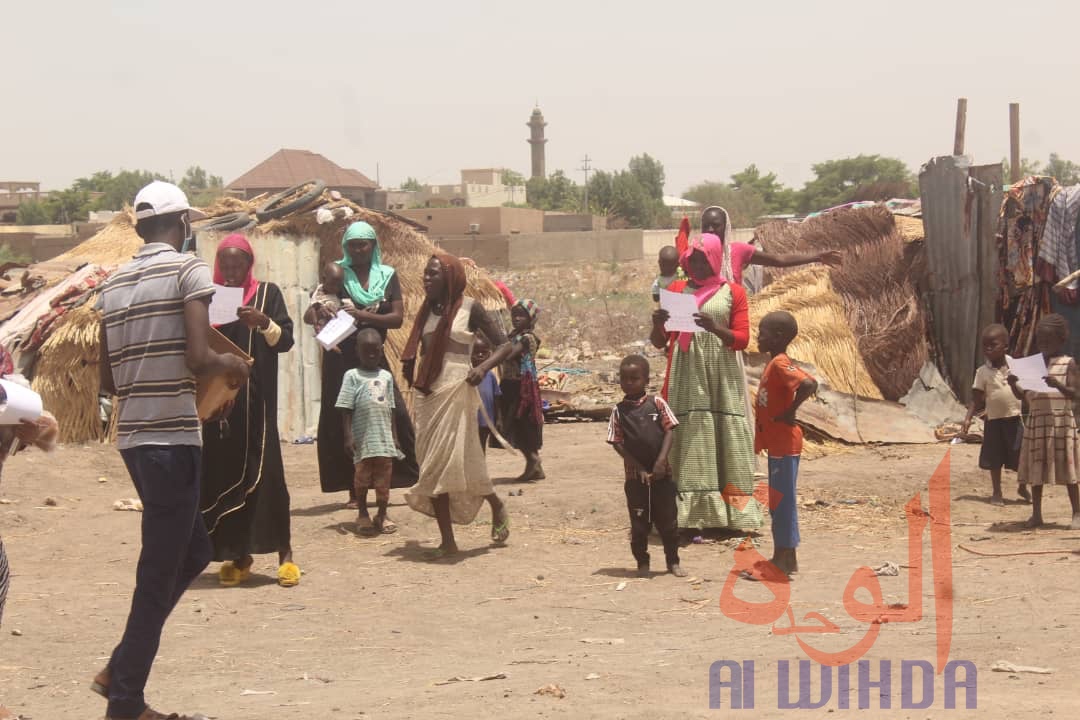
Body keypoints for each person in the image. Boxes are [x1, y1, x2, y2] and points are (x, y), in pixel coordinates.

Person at [93, 180, 250, 720]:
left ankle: (120, 669)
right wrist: (234, 367)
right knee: (158, 573)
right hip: (173, 440)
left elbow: (110, 378)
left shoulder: (112, 285)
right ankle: (125, 699)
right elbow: (201, 355)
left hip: (135, 440)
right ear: (182, 224)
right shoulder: (188, 270)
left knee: (195, 554)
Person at [199, 234, 299, 588]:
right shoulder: (209, 299)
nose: (230, 271)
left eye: (236, 265)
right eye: (224, 265)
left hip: (257, 404)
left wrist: (263, 322)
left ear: (248, 265)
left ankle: (285, 555)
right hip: (222, 406)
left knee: (267, 476)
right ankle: (239, 556)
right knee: (225, 475)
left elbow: (286, 341)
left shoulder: (267, 294)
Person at [401, 253, 511, 558]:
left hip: (457, 392)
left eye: (433, 274)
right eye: (425, 274)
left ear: (449, 277)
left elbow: (505, 345)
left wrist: (483, 368)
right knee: (436, 463)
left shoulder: (470, 308)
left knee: (444, 464)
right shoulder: (426, 313)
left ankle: (463, 530)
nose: (426, 279)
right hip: (429, 396)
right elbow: (424, 355)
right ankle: (465, 526)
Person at [650, 232, 761, 533]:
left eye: (703, 259)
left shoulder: (733, 292)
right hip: (686, 374)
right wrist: (658, 323)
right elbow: (660, 341)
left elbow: (741, 339)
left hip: (720, 375)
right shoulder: (676, 289)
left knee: (724, 434)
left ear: (714, 259)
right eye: (693, 260)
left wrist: (714, 328)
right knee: (690, 436)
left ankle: (731, 514)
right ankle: (691, 516)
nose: (697, 265)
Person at [309, 221, 417, 507]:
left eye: (363, 244)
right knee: (343, 416)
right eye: (352, 245)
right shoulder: (336, 274)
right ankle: (352, 489)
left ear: (373, 246)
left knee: (393, 413)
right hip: (341, 358)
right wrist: (321, 313)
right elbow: (314, 311)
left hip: (373, 355)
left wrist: (361, 315)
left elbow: (396, 319)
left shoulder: (387, 275)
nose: (357, 250)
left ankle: (393, 480)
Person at [750, 312, 818, 579]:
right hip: (778, 443)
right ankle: (786, 559)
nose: (758, 337)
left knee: (782, 503)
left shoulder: (780, 363)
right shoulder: (774, 363)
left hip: (785, 442)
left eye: (763, 333)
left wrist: (790, 412)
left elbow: (809, 383)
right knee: (779, 503)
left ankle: (782, 561)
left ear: (778, 337)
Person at [606, 355, 685, 578]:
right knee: (639, 525)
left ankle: (673, 562)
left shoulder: (657, 403)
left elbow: (670, 430)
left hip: (662, 475)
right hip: (635, 478)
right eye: (624, 378)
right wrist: (639, 467)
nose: (629, 382)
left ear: (646, 380)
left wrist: (661, 461)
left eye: (635, 378)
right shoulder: (618, 411)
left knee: (668, 523)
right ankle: (642, 562)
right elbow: (616, 442)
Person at [1007, 313, 1080, 529]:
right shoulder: (1034, 366)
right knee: (1036, 471)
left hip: (1060, 424)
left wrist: (1057, 384)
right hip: (1038, 423)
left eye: (1049, 341)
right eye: (1041, 341)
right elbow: (1025, 397)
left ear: (1061, 340)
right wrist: (1013, 384)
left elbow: (1075, 393)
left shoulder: (1068, 363)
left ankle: (1077, 513)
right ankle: (1037, 515)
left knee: (1070, 472)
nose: (1044, 345)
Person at [336, 328, 403, 535]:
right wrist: (348, 436)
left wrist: (395, 436)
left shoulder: (386, 376)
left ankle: (382, 514)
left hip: (383, 440)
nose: (372, 355)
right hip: (363, 439)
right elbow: (345, 408)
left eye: (375, 351)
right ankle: (363, 513)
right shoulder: (352, 376)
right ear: (357, 351)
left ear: (382, 351)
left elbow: (391, 407)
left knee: (384, 480)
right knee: (362, 478)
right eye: (366, 351)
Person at [961, 324, 1029, 506]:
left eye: (993, 345)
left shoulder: (1016, 367)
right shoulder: (982, 372)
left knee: (1021, 456)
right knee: (995, 458)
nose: (988, 349)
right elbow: (976, 398)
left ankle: (1022, 485)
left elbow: (1024, 394)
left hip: (1014, 419)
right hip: (994, 422)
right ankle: (997, 492)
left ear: (1005, 346)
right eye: (985, 346)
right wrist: (968, 418)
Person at [500, 299, 545, 482]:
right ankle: (535, 466)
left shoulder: (527, 338)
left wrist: (496, 349)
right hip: (511, 385)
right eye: (514, 315)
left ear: (531, 318)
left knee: (522, 425)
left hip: (522, 389)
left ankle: (533, 461)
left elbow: (508, 354)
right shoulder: (514, 336)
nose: (516, 318)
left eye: (521, 315)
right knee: (518, 426)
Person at [307, 262, 354, 335]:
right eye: (332, 284)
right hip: (326, 329)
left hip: (341, 326)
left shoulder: (342, 291)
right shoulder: (319, 293)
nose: (335, 288)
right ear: (324, 279)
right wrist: (316, 321)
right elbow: (312, 311)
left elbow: (349, 305)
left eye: (339, 285)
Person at [472, 335, 501, 453]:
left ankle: (479, 471)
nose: (480, 355)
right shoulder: (467, 375)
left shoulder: (490, 376)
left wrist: (498, 419)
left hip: (486, 420)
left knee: (481, 448)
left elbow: (496, 397)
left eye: (483, 352)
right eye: (476, 352)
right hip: (470, 420)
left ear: (489, 355)